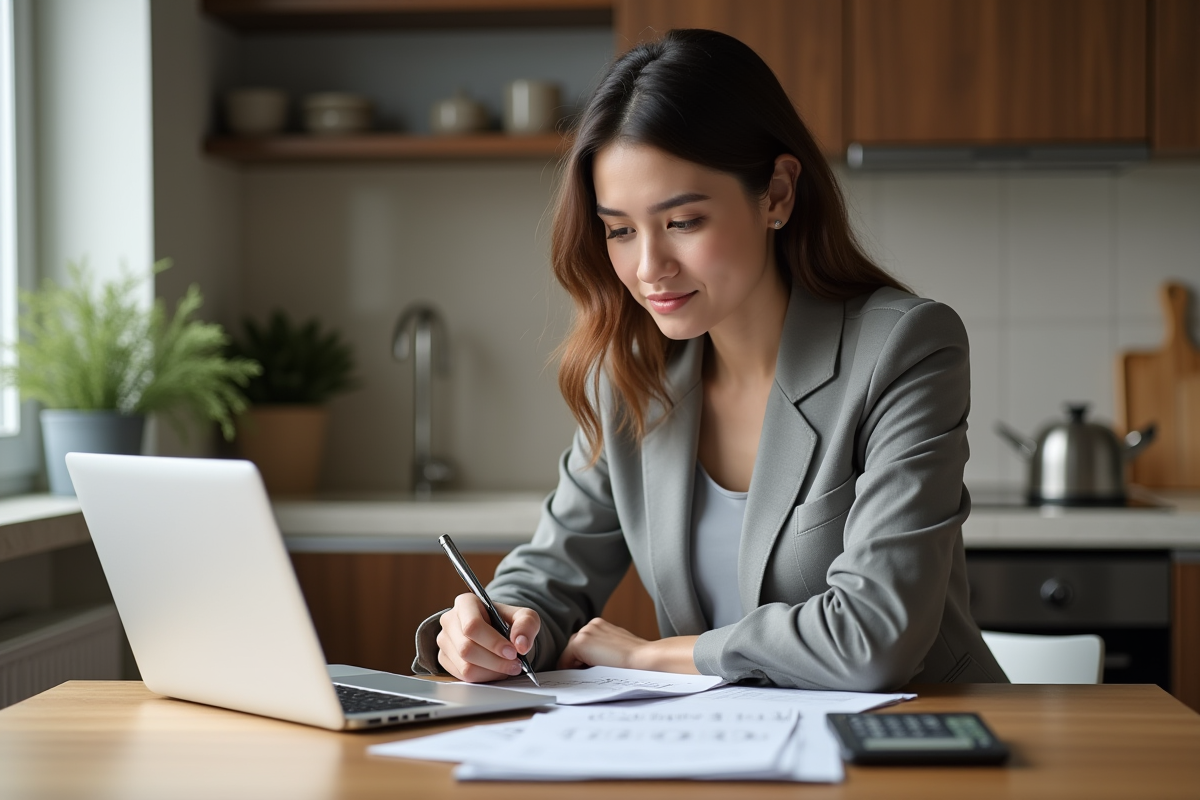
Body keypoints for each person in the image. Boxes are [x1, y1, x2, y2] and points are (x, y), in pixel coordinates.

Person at [414, 28, 1007, 691]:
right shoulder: (632, 372)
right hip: (721, 753)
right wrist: (494, 628)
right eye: (619, 230)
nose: (648, 268)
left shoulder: (904, 346)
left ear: (777, 194)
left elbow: (874, 639)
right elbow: (551, 578)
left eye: (684, 222)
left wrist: (654, 656)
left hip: (915, 749)